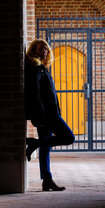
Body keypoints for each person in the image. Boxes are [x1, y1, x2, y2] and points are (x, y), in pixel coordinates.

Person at [25, 39, 75, 191]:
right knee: (68, 137)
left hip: (49, 114)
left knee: (46, 146)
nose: (45, 51)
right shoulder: (35, 68)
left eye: (46, 49)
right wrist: (39, 116)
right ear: (34, 51)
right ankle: (34, 144)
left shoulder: (42, 68)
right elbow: (35, 94)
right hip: (47, 115)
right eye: (41, 49)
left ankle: (47, 180)